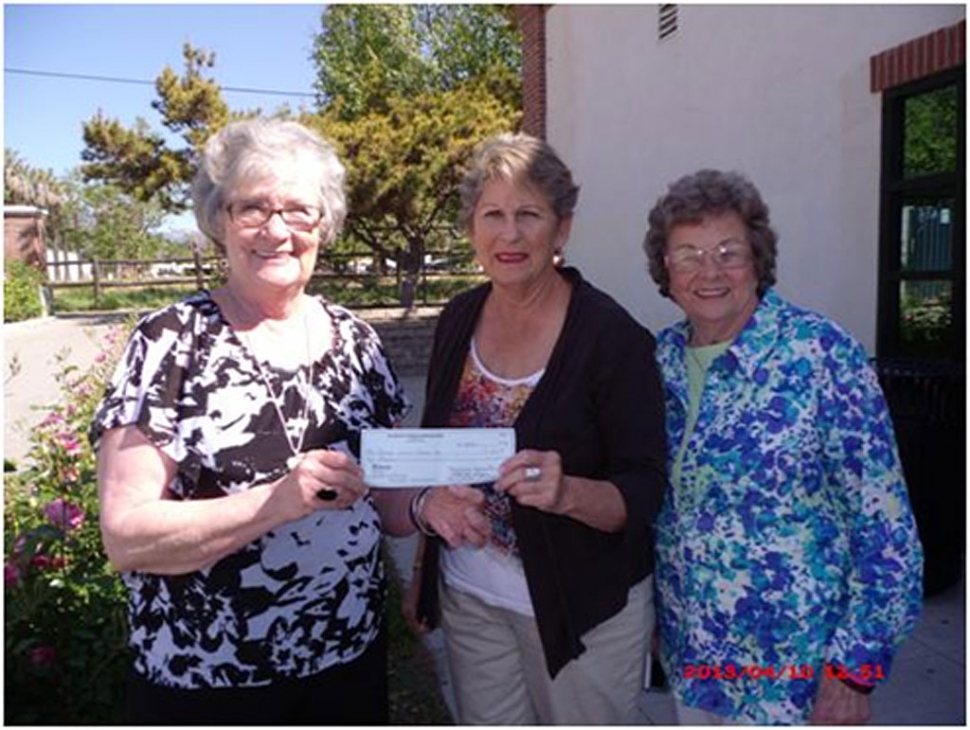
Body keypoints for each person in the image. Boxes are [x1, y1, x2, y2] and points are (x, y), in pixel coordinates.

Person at [90, 118, 485, 724]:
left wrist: (429, 503)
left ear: (323, 226)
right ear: (219, 220)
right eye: (252, 209)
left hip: (347, 664)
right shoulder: (170, 342)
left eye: (299, 211)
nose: (277, 230)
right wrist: (275, 501)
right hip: (210, 681)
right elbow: (126, 536)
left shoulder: (357, 341)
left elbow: (380, 494)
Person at [644, 169, 924, 725]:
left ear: (758, 260)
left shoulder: (821, 355)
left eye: (729, 251)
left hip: (799, 678)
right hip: (697, 665)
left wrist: (853, 671)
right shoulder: (660, 360)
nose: (709, 271)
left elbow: (885, 529)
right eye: (688, 254)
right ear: (666, 268)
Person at [405, 132, 668, 724]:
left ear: (562, 228)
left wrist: (567, 492)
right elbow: (436, 455)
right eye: (492, 214)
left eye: (530, 214)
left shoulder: (612, 338)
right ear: (472, 228)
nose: (510, 233)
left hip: (582, 612)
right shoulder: (458, 317)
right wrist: (424, 570)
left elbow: (646, 488)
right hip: (471, 598)